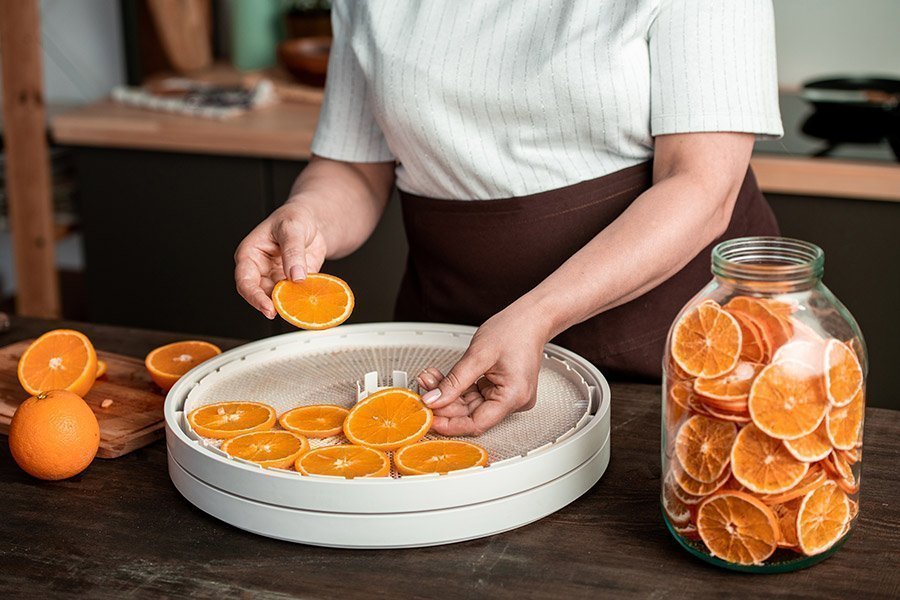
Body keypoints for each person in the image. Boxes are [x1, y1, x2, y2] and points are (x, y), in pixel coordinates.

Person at [235, 1, 783, 436]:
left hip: (675, 354)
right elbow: (354, 167)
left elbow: (701, 187)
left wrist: (537, 316)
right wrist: (307, 216)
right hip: (456, 356)